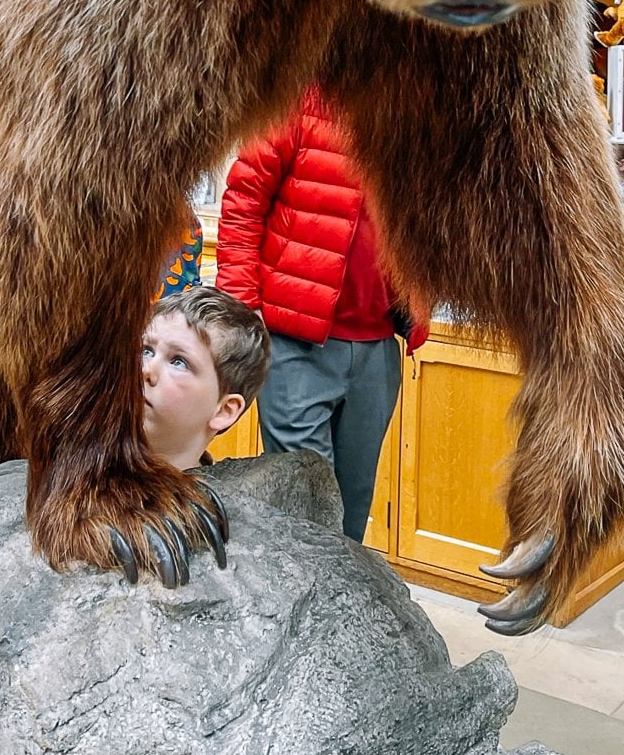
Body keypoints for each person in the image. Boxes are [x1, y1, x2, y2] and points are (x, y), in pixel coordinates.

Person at [216, 87, 426, 542]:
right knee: (306, 506)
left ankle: (340, 610)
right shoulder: (296, 101)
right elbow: (243, 204)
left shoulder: (415, 119)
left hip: (377, 349)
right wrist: (243, 313)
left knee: (353, 503)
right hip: (295, 346)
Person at [141, 284, 271, 471]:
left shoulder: (221, 499)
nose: (146, 369)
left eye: (179, 362)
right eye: (146, 350)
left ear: (224, 411)